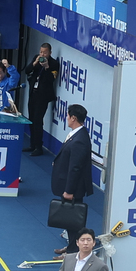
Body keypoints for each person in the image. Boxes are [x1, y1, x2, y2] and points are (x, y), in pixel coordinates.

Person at [51, 103, 94, 255]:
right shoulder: (75, 134)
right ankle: (72, 246)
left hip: (73, 188)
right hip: (68, 185)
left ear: (73, 118)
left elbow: (75, 167)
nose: (67, 118)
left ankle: (74, 250)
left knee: (73, 220)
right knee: (69, 219)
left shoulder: (80, 139)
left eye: (68, 116)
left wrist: (69, 190)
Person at [23, 43, 59, 155]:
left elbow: (51, 80)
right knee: (31, 119)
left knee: (38, 120)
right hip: (33, 93)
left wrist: (47, 67)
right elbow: (27, 71)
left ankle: (39, 146)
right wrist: (34, 63)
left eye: (45, 52)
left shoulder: (54, 64)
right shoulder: (36, 59)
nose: (42, 54)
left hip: (43, 96)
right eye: (41, 52)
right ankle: (32, 144)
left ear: (50, 53)